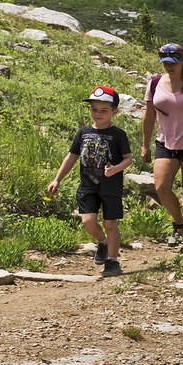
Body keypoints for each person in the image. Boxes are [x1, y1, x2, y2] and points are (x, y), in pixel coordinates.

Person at [48, 86, 133, 277]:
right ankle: (102, 242)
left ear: (114, 111)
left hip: (111, 187)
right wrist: (57, 179)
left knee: (111, 223)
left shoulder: (119, 135)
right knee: (87, 220)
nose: (98, 114)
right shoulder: (83, 133)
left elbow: (128, 159)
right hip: (88, 186)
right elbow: (71, 157)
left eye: (103, 110)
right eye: (94, 109)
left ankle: (112, 261)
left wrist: (116, 169)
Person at [141, 42, 183, 246]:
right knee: (161, 186)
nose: (168, 66)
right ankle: (180, 224)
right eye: (165, 63)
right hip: (165, 142)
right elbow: (149, 116)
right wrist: (145, 144)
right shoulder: (154, 83)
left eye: (173, 62)